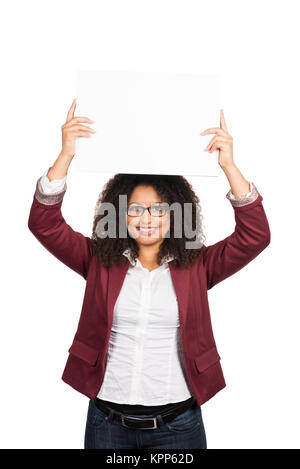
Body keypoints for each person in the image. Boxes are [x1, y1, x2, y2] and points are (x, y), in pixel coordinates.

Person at [28, 99, 271, 449]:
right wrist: (65, 155)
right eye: (136, 209)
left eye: (158, 208)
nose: (146, 217)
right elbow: (44, 224)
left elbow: (255, 236)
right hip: (107, 423)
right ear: (120, 214)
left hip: (179, 425)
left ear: (175, 214)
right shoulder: (98, 260)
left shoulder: (198, 266)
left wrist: (229, 165)